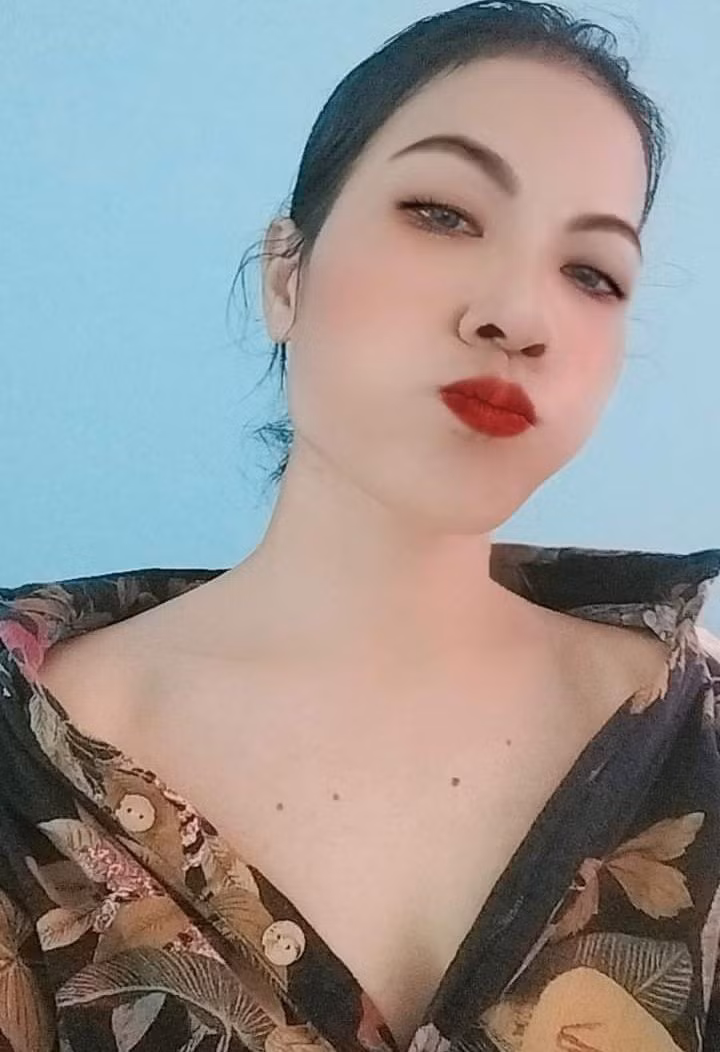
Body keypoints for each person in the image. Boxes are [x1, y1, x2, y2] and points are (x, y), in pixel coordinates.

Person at [1, 2, 719, 1050]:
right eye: (444, 213)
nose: (522, 316)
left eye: (592, 273)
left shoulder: (699, 739)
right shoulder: (25, 746)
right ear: (285, 275)